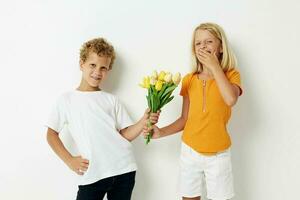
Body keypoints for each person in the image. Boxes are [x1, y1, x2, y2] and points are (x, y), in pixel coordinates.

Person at [46, 37, 159, 200]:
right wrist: (70, 160)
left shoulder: (111, 100)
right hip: (93, 173)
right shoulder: (66, 100)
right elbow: (51, 134)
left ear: (108, 70)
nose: (97, 72)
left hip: (123, 170)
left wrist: (143, 121)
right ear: (81, 64)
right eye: (93, 65)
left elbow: (125, 135)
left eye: (103, 68)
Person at [144, 23, 243, 200]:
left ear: (220, 47)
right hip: (190, 152)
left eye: (209, 42)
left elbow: (230, 99)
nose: (203, 46)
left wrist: (215, 67)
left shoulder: (231, 76)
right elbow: (184, 119)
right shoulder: (189, 79)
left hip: (218, 154)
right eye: (198, 43)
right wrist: (161, 132)